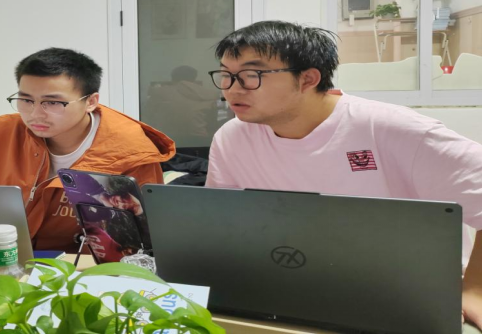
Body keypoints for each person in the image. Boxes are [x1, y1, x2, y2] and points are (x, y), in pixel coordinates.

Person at [205, 20, 482, 329]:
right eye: (226, 75)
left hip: (410, 291)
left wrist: (474, 292)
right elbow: (222, 223)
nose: (232, 89)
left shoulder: (391, 128)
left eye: (251, 75)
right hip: (294, 282)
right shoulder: (232, 137)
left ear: (307, 79)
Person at [0, 48, 175, 252]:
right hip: (4, 256)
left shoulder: (133, 153)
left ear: (90, 102)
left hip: (82, 272)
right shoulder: (1, 131)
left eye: (53, 102)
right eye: (26, 100)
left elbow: (142, 241)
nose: (35, 114)